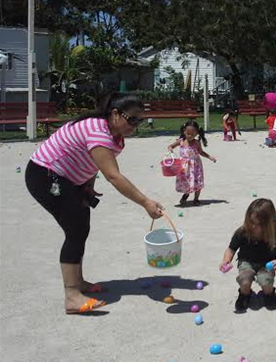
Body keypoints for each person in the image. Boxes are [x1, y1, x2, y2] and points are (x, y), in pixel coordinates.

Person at [24, 93, 164, 315]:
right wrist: (146, 202)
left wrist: (88, 185)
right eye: (132, 119)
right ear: (115, 114)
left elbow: (91, 160)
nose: (135, 125)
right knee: (75, 230)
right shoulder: (98, 131)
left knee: (81, 227)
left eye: (140, 121)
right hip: (46, 176)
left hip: (67, 179)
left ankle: (78, 283)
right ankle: (72, 296)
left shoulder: (114, 134)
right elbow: (113, 176)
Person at [220, 198, 276, 312]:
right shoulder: (242, 232)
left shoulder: (272, 234)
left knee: (265, 280)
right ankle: (245, 294)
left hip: (266, 264)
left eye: (256, 224)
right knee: (245, 279)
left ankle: (268, 294)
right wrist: (226, 261)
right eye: (250, 222)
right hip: (246, 261)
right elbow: (231, 249)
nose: (252, 226)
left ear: (267, 224)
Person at [168, 120, 217, 206]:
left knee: (197, 182)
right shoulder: (181, 141)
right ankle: (186, 194)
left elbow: (201, 152)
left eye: (193, 134)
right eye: (188, 133)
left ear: (197, 133)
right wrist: (170, 149)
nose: (190, 136)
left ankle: (196, 199)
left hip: (196, 166)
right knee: (186, 182)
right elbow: (170, 146)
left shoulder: (196, 143)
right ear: (184, 131)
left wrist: (210, 157)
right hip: (184, 167)